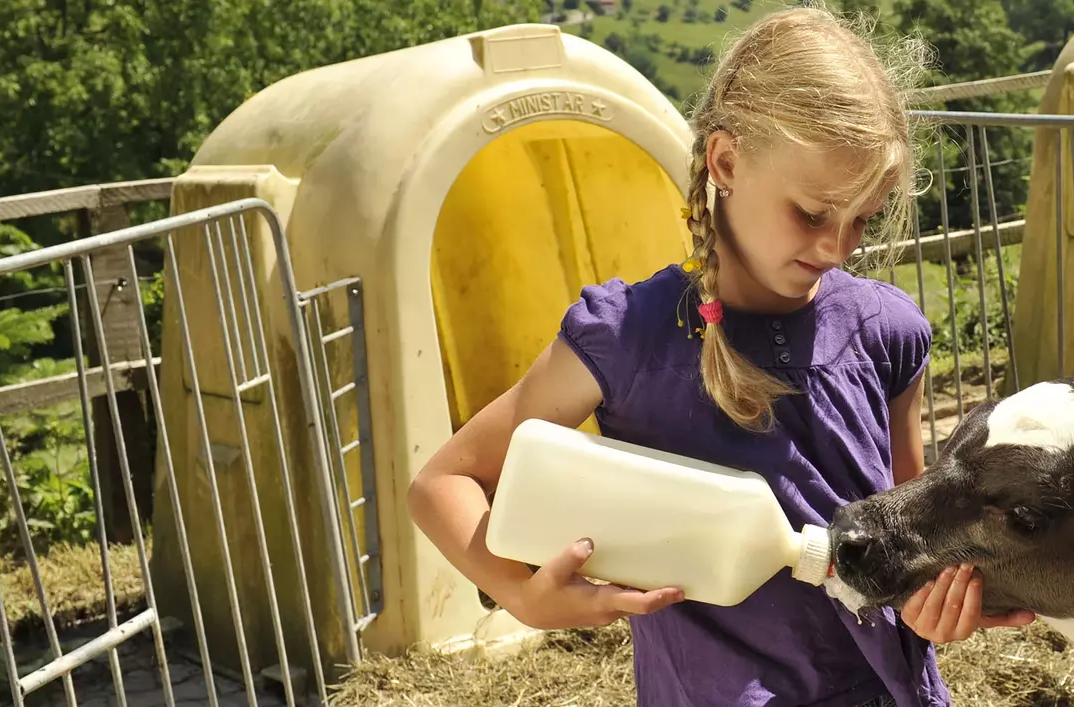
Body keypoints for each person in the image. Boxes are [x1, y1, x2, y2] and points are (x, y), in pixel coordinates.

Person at [406, 7, 1035, 706]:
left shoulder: (889, 331)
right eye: (812, 212)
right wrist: (524, 595)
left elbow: (909, 532)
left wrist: (934, 601)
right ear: (727, 162)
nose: (837, 247)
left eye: (862, 218)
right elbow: (442, 482)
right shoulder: (628, 336)